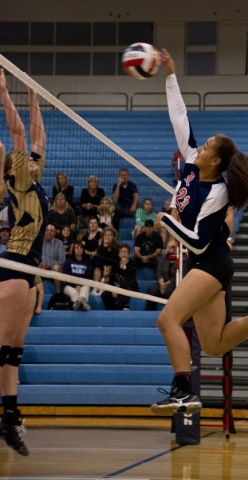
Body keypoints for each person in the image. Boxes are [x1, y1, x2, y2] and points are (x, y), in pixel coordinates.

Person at [149, 50, 248, 416]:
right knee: (214, 345)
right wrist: (170, 73)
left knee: (167, 319)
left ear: (215, 160)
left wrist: (166, 221)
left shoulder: (217, 192)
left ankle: (182, 390)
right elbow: (179, 117)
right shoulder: (190, 164)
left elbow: (199, 240)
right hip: (205, 263)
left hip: (212, 262)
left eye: (205, 147)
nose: (198, 147)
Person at [0, 68, 48, 455]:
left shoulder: (35, 181)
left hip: (28, 274)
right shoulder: (17, 182)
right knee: (3, 349)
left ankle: (9, 419)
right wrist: (4, 91)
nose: (32, 160)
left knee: (13, 351)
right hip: (13, 268)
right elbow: (20, 135)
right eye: (24, 160)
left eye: (34, 161)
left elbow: (39, 138)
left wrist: (34, 99)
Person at [145, 244, 187, 311]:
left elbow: (179, 276)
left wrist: (166, 284)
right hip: (162, 282)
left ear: (176, 249)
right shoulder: (163, 259)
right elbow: (159, 272)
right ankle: (149, 312)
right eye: (168, 247)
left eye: (172, 247)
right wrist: (162, 284)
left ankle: (169, 312)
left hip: (174, 282)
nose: (169, 249)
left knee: (169, 291)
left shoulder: (182, 261)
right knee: (151, 289)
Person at [104, 243, 138, 311]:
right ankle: (112, 309)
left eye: (125, 252)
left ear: (128, 254)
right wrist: (113, 290)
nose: (123, 253)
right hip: (116, 287)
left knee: (124, 283)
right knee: (105, 294)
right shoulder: (115, 264)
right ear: (119, 254)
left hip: (130, 287)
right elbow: (111, 280)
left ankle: (125, 305)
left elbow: (129, 279)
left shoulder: (132, 264)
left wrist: (124, 268)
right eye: (122, 251)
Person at [63, 242, 93, 311]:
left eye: (80, 248)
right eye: (76, 248)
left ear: (83, 250)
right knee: (73, 292)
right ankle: (77, 302)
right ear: (73, 250)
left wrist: (81, 286)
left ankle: (82, 300)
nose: (79, 249)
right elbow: (66, 277)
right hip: (70, 285)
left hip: (84, 285)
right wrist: (74, 286)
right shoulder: (68, 261)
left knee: (86, 288)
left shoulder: (88, 262)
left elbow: (88, 277)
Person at [92, 225, 119, 293]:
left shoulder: (117, 248)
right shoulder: (100, 248)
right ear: (103, 237)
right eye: (106, 235)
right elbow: (98, 263)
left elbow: (115, 263)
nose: (107, 237)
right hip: (102, 273)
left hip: (113, 272)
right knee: (97, 270)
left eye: (110, 235)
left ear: (113, 237)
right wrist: (104, 248)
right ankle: (96, 289)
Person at [40, 224, 66, 293]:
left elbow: (62, 261)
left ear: (55, 233)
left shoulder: (59, 243)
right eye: (47, 230)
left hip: (53, 269)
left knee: (56, 267)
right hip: (40, 267)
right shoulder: (39, 241)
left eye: (52, 231)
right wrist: (40, 264)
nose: (49, 232)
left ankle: (58, 293)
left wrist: (48, 266)